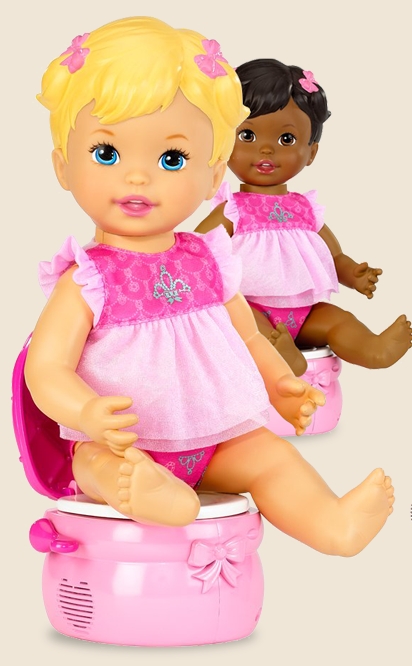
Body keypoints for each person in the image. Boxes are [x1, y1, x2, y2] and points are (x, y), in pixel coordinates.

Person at [25, 19, 394, 556]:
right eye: (107, 153)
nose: (138, 178)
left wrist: (279, 384)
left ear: (213, 176)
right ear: (63, 167)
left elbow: (249, 337)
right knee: (103, 465)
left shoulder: (207, 259)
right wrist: (85, 412)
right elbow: (45, 368)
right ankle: (146, 493)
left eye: (171, 159)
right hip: (122, 445)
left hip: (215, 438)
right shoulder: (88, 277)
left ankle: (333, 524)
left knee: (272, 457)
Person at [195, 58, 412, 375]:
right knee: (243, 323)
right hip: (252, 306)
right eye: (248, 136)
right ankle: (284, 360)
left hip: (306, 312)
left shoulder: (305, 209)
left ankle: (373, 348)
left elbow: (333, 255)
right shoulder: (233, 210)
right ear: (223, 143)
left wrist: (353, 274)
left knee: (338, 320)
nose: (266, 150)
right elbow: (199, 251)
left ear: (311, 152)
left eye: (286, 139)